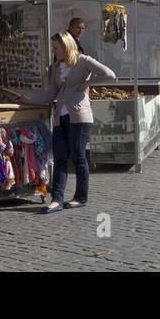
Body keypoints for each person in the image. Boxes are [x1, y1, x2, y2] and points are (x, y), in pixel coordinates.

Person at [41, 30, 116, 212]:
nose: (53, 51)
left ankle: (80, 197)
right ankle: (57, 199)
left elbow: (110, 74)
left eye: (56, 47)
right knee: (60, 157)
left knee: (78, 155)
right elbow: (50, 94)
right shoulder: (56, 68)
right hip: (61, 117)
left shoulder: (83, 61)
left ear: (66, 46)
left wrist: (89, 83)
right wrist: (26, 101)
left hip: (80, 117)